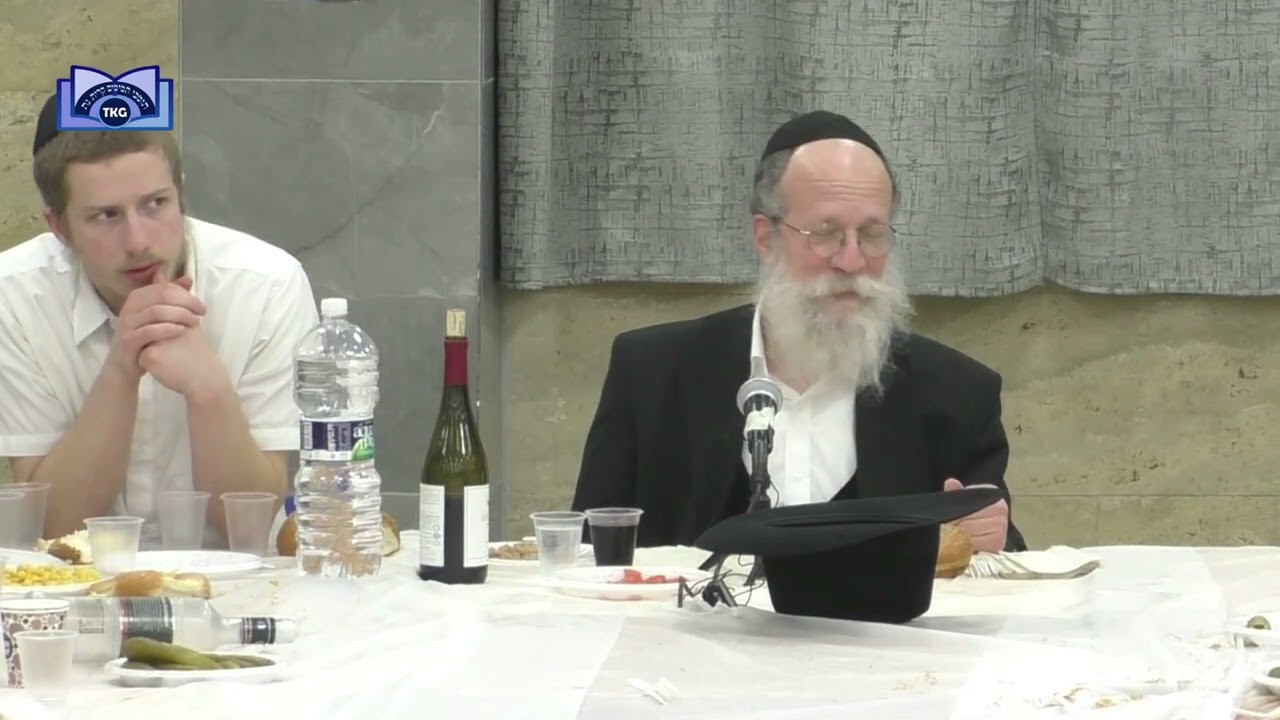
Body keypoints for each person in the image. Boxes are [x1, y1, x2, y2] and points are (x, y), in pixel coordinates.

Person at [572, 110, 1027, 555]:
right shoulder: (652, 374)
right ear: (765, 238)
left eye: (871, 234)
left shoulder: (958, 393)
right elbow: (589, 554)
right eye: (825, 233)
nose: (852, 261)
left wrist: (993, 538)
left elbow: (1001, 552)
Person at [0, 93, 319, 542]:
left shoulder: (267, 285)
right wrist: (121, 368)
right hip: (76, 575)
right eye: (106, 215)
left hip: (231, 573)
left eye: (155, 204)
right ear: (59, 228)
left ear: (180, 195)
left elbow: (251, 527)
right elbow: (49, 529)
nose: (138, 242)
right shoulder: (14, 296)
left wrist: (208, 389)